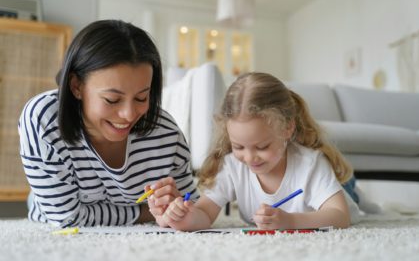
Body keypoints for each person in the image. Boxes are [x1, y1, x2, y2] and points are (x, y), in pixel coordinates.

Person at [18, 19, 197, 228]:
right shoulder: (43, 119)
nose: (128, 115)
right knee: (41, 200)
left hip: (103, 200)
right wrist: (147, 212)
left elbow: (191, 203)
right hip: (53, 201)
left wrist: (177, 208)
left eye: (141, 98)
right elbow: (66, 218)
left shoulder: (167, 134)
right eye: (112, 100)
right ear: (76, 86)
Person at [162, 72, 360, 231]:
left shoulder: (310, 163)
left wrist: (290, 221)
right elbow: (204, 214)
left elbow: (340, 216)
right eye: (238, 147)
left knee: (351, 191)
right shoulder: (232, 165)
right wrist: (183, 217)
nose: (249, 158)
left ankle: (353, 189)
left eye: (262, 147)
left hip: (339, 194)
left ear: (287, 129)